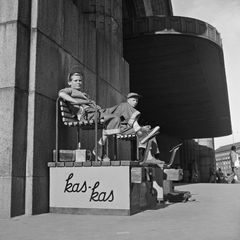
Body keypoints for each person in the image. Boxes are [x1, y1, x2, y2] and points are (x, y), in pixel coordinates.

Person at [59, 71, 159, 161]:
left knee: (123, 106)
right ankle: (139, 132)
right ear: (69, 82)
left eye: (80, 80)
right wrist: (77, 102)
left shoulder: (84, 94)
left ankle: (137, 130)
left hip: (98, 112)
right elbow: (61, 94)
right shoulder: (69, 90)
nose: (78, 82)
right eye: (75, 80)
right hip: (88, 115)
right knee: (115, 118)